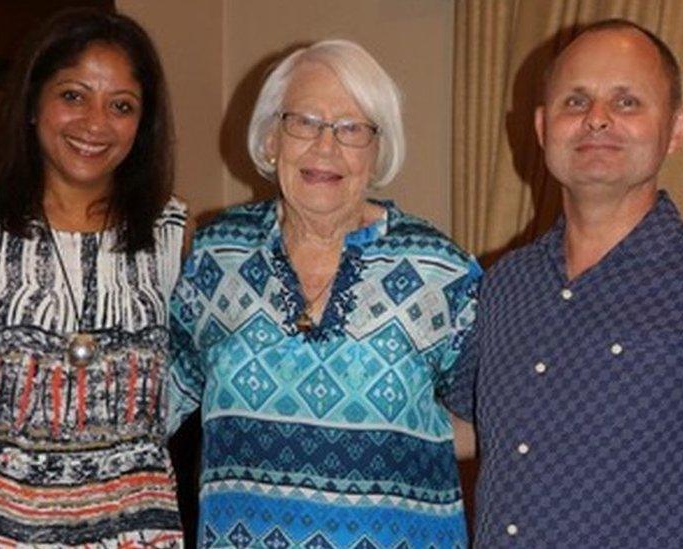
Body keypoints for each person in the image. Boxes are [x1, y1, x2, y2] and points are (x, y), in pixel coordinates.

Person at [447, 19, 683, 548]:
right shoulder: (505, 285)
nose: (597, 120)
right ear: (543, 130)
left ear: (676, 128)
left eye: (627, 102)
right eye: (575, 102)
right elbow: (471, 428)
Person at [0, 8, 186, 547]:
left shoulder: (171, 233)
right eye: (73, 95)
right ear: (32, 102)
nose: (95, 123)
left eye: (121, 106)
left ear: (143, 125)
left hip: (136, 531)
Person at [166, 39, 480, 548]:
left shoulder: (439, 269)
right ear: (271, 139)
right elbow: (157, 397)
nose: (325, 146)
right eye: (304, 121)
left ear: (378, 151)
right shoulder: (216, 255)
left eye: (352, 128)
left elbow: (495, 415)